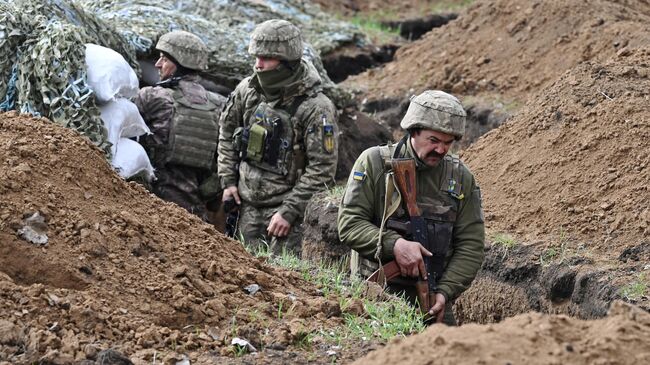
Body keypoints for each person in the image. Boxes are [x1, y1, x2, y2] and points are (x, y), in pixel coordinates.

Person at [337, 90, 485, 325]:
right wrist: (394, 244)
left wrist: (445, 292)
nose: (441, 150)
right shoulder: (374, 163)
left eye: (448, 143)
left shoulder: (461, 178)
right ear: (413, 131)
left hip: (433, 299)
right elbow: (350, 223)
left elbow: (471, 245)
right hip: (375, 295)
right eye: (433, 140)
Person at [218, 19, 338, 255]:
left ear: (287, 63)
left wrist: (289, 211)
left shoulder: (316, 108)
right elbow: (226, 133)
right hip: (246, 207)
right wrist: (228, 182)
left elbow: (323, 168)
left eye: (266, 59)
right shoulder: (247, 91)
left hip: (288, 215)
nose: (258, 65)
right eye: (256, 57)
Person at [135, 30, 226, 221]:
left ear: (179, 65)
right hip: (195, 215)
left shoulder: (153, 96)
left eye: (164, 59)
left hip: (152, 203)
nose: (158, 64)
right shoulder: (220, 105)